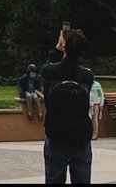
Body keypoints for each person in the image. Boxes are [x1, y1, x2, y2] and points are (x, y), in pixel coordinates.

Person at [40, 27, 94, 185]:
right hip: (80, 135)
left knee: (54, 178)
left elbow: (45, 69)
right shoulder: (86, 75)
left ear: (64, 46)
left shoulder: (50, 71)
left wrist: (57, 49)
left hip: (56, 133)